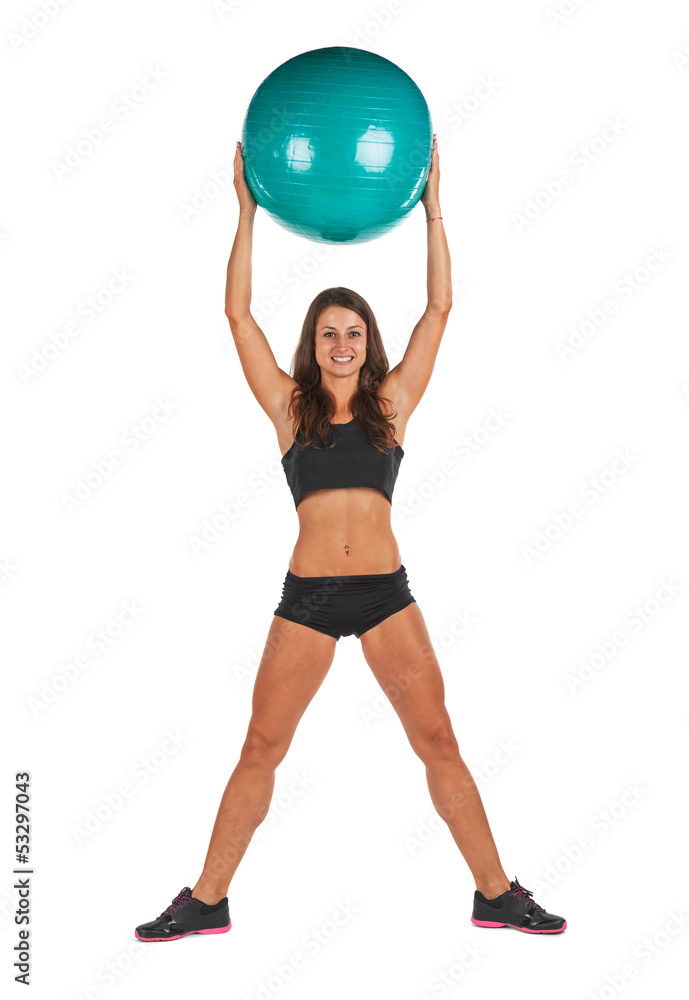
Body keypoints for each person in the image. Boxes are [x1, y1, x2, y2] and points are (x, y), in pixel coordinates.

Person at [134, 135, 567, 942]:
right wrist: (245, 212)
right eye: (329, 332)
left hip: (383, 596)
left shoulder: (392, 406)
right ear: (314, 343)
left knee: (437, 738)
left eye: (354, 332)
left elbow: (438, 310)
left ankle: (495, 891)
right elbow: (237, 316)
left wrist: (433, 207)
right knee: (261, 745)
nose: (341, 343)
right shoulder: (288, 408)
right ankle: (207, 897)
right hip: (308, 599)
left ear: (369, 343)